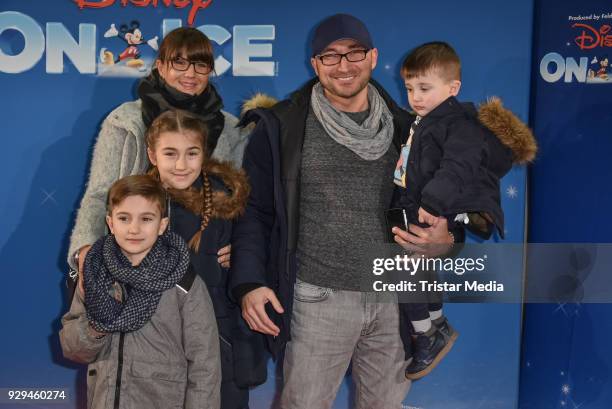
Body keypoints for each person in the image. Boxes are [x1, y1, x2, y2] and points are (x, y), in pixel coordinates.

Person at [230, 14, 459, 408]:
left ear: (372, 57)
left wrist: (447, 238)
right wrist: (249, 282)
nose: (343, 65)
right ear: (315, 64)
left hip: (395, 301)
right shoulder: (281, 127)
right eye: (330, 56)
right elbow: (254, 212)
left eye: (353, 53)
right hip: (318, 299)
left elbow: (446, 204)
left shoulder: (411, 130)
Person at [393, 41, 537, 380]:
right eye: (410, 88)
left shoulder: (459, 125)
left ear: (453, 88)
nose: (415, 96)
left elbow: (458, 167)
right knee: (416, 270)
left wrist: (433, 203)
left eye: (425, 88)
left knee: (403, 271)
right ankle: (436, 324)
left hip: (443, 210)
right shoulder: (425, 121)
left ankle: (425, 333)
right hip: (421, 208)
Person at [67, 27, 249, 277]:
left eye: (200, 65)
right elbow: (101, 195)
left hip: (205, 265)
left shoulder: (229, 128)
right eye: (179, 63)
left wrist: (243, 248)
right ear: (161, 67)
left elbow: (240, 200)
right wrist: (84, 252)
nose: (190, 73)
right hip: (133, 263)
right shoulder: (126, 121)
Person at [60, 175, 221, 409]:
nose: (134, 229)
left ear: (162, 224)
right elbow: (73, 350)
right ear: (111, 223)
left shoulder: (184, 283)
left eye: (146, 219)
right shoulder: (94, 276)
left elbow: (205, 364)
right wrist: (98, 325)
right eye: (124, 218)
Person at [146, 109, 266, 408]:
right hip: (156, 343)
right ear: (152, 155)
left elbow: (257, 246)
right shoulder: (137, 202)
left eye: (192, 153)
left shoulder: (230, 200)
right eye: (170, 153)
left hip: (221, 339)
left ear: (205, 153)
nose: (181, 165)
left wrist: (241, 258)